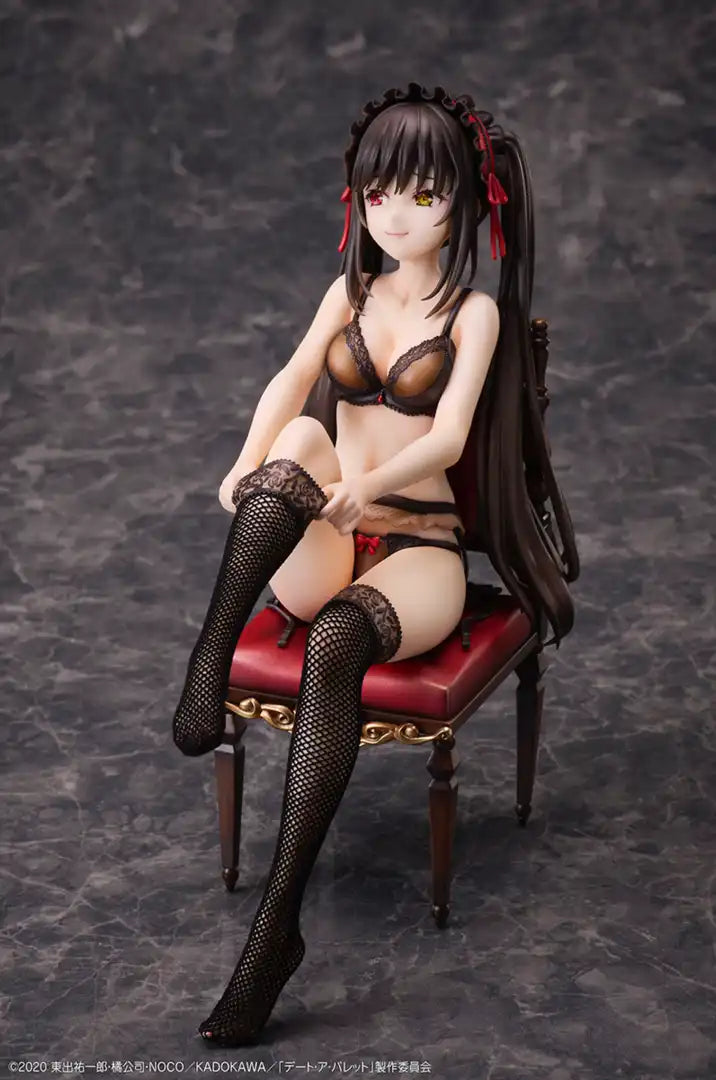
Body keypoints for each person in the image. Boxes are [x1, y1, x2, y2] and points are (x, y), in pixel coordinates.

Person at [171, 82, 579, 1046]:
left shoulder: (473, 314)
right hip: (326, 539)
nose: (397, 215)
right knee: (295, 448)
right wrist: (241, 463)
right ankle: (209, 660)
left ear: (465, 201)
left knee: (335, 645)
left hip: (416, 553)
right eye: (379, 192)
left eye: (424, 195)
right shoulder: (349, 293)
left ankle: (277, 932)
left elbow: (446, 437)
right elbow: (290, 378)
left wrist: (370, 487)